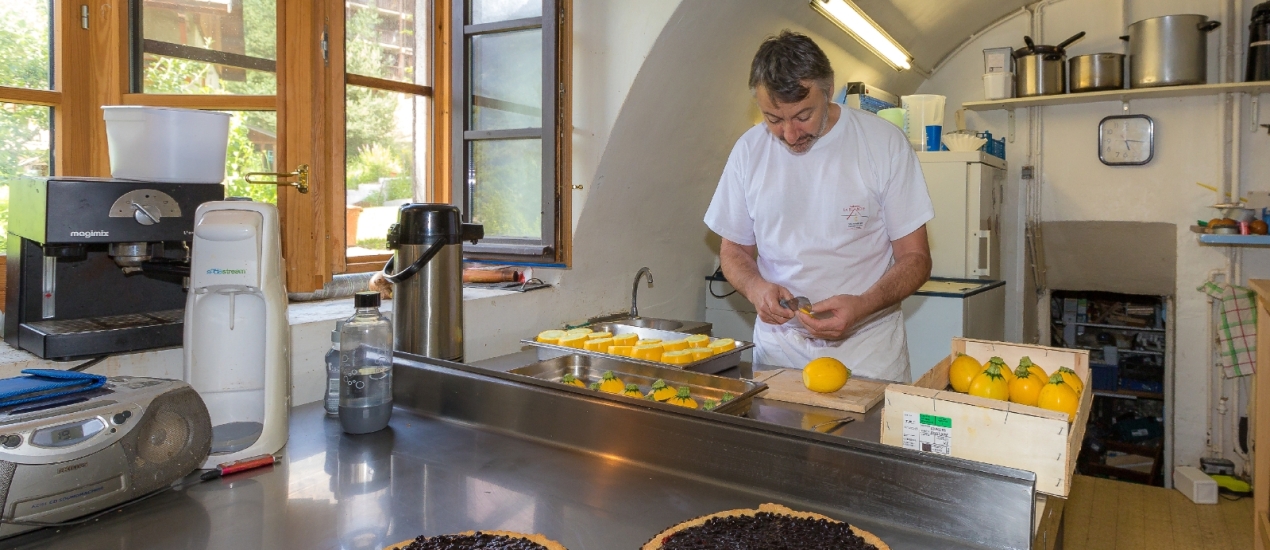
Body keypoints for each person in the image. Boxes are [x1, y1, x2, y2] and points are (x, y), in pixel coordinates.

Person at [703, 30, 934, 383]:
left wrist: (863, 306)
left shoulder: (883, 144)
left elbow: (915, 259)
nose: (790, 134)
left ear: (828, 90)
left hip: (868, 357)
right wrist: (755, 289)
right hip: (778, 358)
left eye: (803, 116)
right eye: (773, 119)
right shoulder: (749, 152)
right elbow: (734, 249)